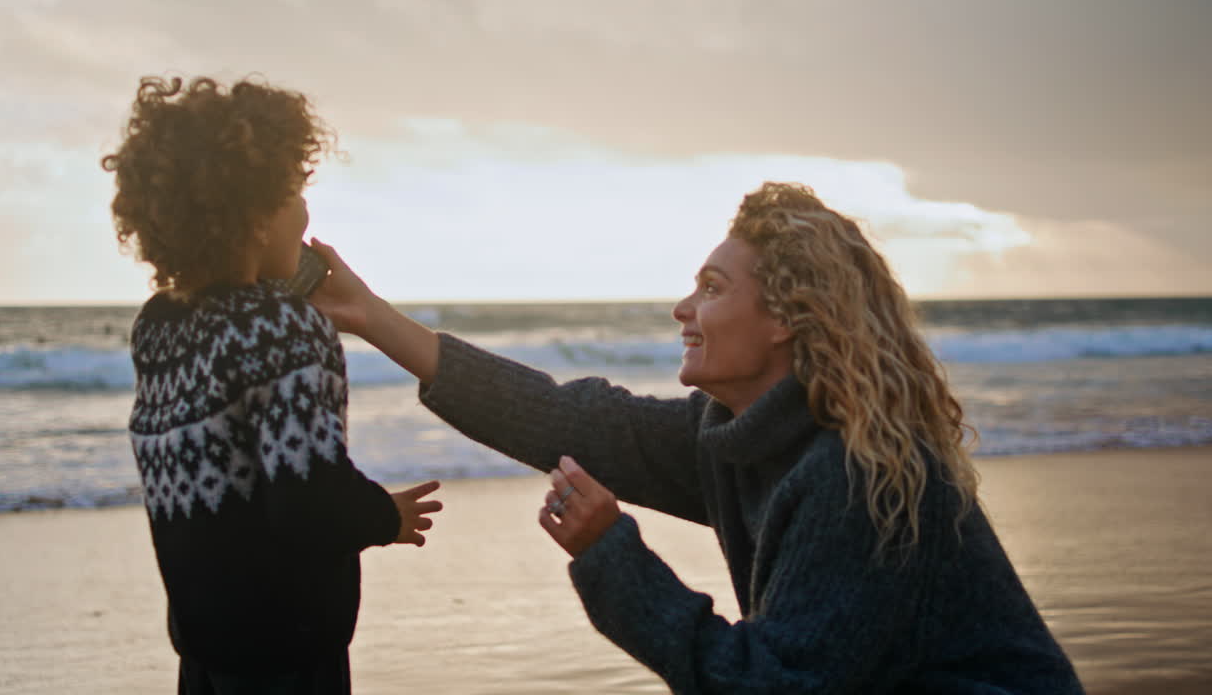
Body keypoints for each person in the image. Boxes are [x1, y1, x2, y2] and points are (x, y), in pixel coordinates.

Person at [306, 182, 1086, 693]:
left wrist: (614, 553)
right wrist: (374, 317)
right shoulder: (740, 437)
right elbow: (561, 415)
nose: (683, 309)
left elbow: (768, 689)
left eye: (712, 290)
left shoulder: (856, 475)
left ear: (786, 320)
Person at [102, 75, 442, 694]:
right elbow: (309, 501)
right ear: (257, 217)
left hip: (203, 653)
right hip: (287, 655)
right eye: (294, 191)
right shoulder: (287, 329)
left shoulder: (159, 325)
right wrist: (382, 517)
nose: (307, 212)